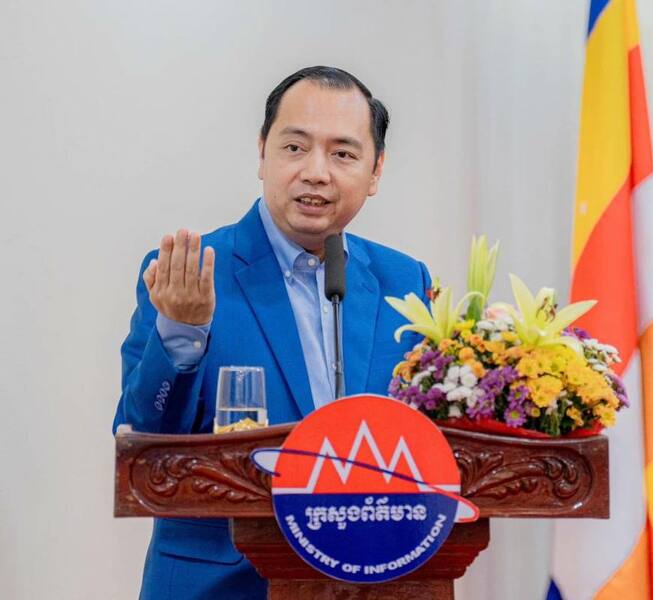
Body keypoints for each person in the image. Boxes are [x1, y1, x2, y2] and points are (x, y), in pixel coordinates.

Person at [113, 66, 432, 599]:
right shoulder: (191, 274)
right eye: (295, 148)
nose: (316, 172)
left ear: (376, 171)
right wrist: (182, 330)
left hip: (375, 579)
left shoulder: (405, 282)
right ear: (262, 153)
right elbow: (143, 442)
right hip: (219, 584)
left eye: (343, 154)